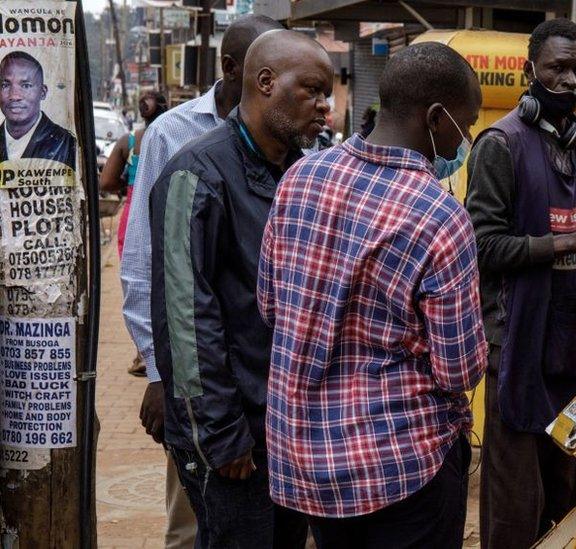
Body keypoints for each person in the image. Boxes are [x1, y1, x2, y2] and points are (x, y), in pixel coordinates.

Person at [257, 42, 487, 549]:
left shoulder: (299, 179)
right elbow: (460, 370)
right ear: (434, 117)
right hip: (401, 468)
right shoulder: (440, 217)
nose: (465, 137)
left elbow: (270, 307)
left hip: (304, 460)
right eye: (465, 124)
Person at [148, 29, 333, 548]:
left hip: (285, 431)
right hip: (231, 442)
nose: (325, 108)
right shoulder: (195, 173)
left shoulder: (299, 173)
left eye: (327, 95)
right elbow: (186, 320)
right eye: (313, 91)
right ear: (266, 82)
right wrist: (221, 436)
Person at [466, 19, 576, 548]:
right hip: (518, 344)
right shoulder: (499, 144)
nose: (569, 80)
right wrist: (566, 242)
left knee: (571, 487)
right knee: (517, 498)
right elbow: (481, 246)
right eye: (557, 68)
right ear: (529, 70)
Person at [119, 14, 283, 549]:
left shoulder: (292, 146)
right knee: (192, 523)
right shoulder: (175, 135)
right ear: (236, 69)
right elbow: (148, 262)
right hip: (197, 383)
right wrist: (161, 374)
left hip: (260, 391)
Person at [99, 89, 168, 377]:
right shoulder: (171, 135)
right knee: (164, 284)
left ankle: (143, 353)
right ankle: (162, 352)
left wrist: (129, 187)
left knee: (137, 281)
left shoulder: (128, 142)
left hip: (133, 216)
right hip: (165, 213)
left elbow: (106, 182)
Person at [0, 51, 76, 166]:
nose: (14, 96)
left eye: (26, 86)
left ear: (43, 92)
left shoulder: (66, 143)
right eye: (5, 85)